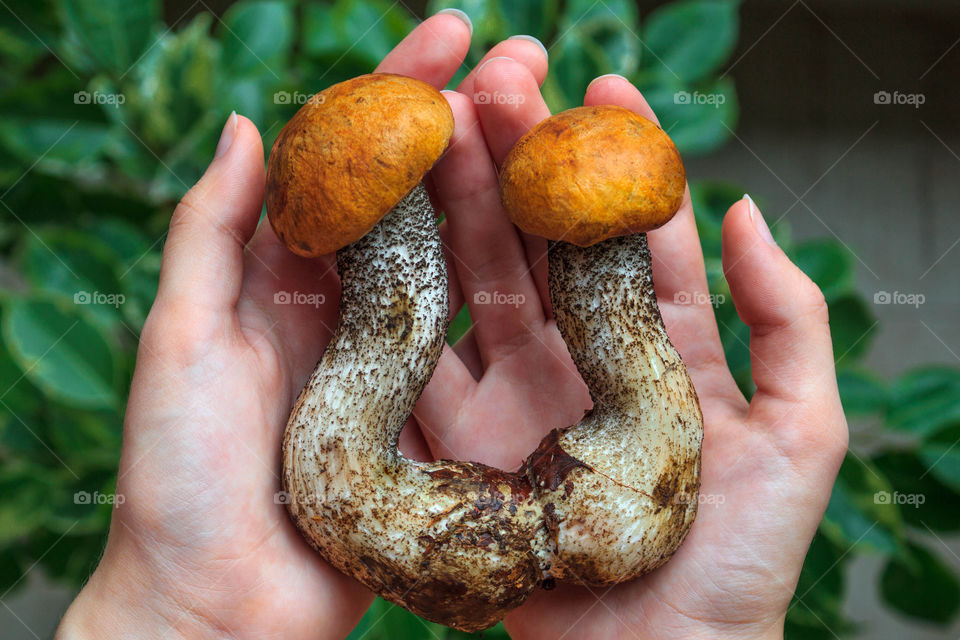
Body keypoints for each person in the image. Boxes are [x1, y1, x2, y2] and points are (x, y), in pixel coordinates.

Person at [55, 10, 847, 640]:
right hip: (370, 495)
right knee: (393, 327)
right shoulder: (334, 458)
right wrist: (184, 614)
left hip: (617, 478)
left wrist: (180, 620)